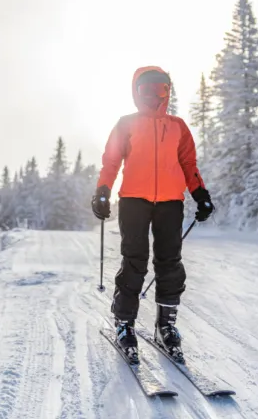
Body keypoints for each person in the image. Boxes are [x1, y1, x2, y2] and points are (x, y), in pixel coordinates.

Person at [91, 66, 214, 364]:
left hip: (171, 202)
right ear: (136, 92)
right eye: (148, 89)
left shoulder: (178, 126)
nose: (155, 95)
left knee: (170, 262)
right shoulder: (126, 123)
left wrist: (200, 194)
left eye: (161, 89)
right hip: (134, 200)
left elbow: (189, 165)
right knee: (135, 260)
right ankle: (124, 324)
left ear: (167, 91)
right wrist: (103, 191)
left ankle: (166, 325)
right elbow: (111, 161)